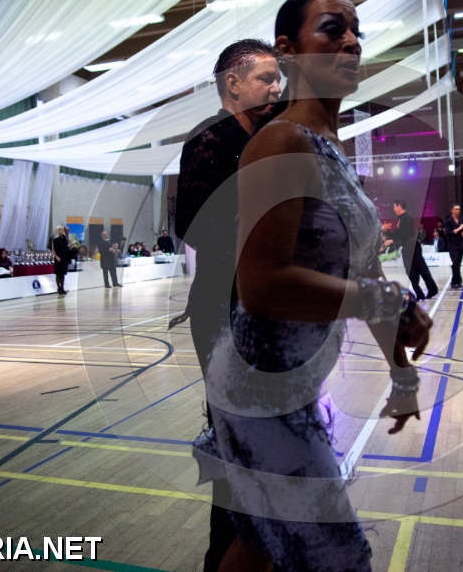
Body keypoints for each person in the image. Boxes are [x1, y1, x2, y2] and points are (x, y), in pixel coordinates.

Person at [196, 0, 432, 572]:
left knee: (260, 547)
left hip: (297, 383)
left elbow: (366, 271)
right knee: (338, 557)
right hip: (260, 392)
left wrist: (401, 372)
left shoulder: (333, 149)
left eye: (356, 32)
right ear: (288, 49)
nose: (351, 42)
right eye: (332, 29)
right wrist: (384, 300)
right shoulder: (280, 141)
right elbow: (262, 285)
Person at [175, 38, 283, 572]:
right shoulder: (208, 141)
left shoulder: (270, 137)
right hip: (222, 311)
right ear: (232, 84)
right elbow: (194, 226)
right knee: (236, 442)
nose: (276, 88)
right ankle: (223, 557)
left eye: (278, 78)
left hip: (264, 311)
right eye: (266, 79)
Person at [390, 200, 437, 301]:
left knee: (421, 269)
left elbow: (404, 233)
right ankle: (420, 293)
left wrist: (393, 240)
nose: (393, 209)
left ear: (399, 207)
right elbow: (397, 233)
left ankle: (431, 290)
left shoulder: (407, 218)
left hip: (412, 247)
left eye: (394, 207)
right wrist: (388, 233)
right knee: (411, 271)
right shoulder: (401, 219)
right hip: (407, 247)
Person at [444, 204, 463, 289]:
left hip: (461, 244)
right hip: (452, 245)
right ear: (452, 210)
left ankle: (456, 280)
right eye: (456, 209)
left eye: (458, 209)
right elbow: (448, 233)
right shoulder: (448, 221)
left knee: (458, 264)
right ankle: (456, 281)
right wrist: (459, 228)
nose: (457, 211)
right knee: (455, 262)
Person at [50, 226, 71, 295]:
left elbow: (66, 246)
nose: (62, 231)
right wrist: (56, 256)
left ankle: (62, 287)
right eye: (60, 229)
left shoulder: (64, 238)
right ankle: (58, 288)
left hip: (64, 257)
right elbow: (53, 249)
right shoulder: (54, 239)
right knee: (58, 274)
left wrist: (69, 246)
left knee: (63, 274)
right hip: (58, 257)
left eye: (62, 229)